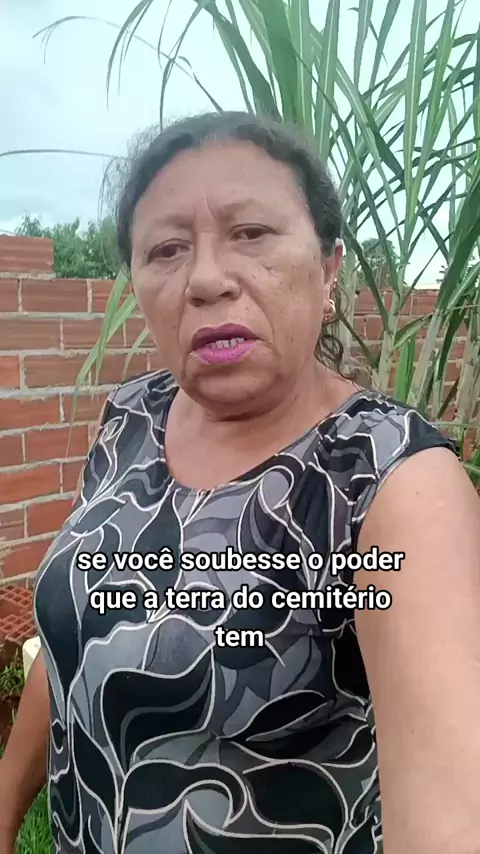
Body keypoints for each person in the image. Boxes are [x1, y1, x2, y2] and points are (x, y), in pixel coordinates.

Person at [0, 111, 479, 854]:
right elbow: (82, 632)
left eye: (251, 233)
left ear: (329, 270)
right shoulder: (133, 416)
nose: (206, 280)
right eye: (166, 249)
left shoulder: (391, 481)